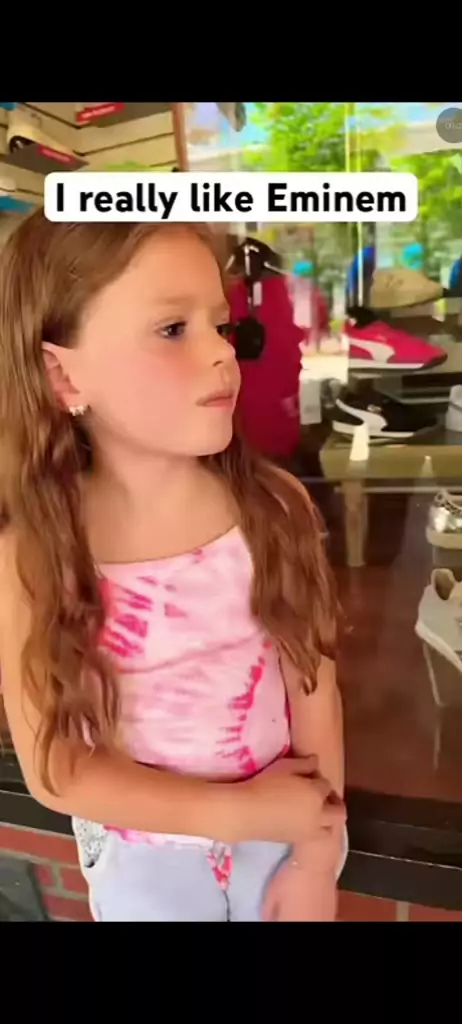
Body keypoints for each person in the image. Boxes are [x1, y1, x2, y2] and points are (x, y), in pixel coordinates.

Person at [0, 210, 346, 922]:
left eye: (220, 325)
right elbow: (56, 769)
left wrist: (316, 858)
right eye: (171, 329)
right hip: (145, 864)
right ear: (62, 373)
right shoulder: (36, 553)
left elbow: (315, 689)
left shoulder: (273, 508)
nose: (221, 353)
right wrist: (236, 812)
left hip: (284, 837)